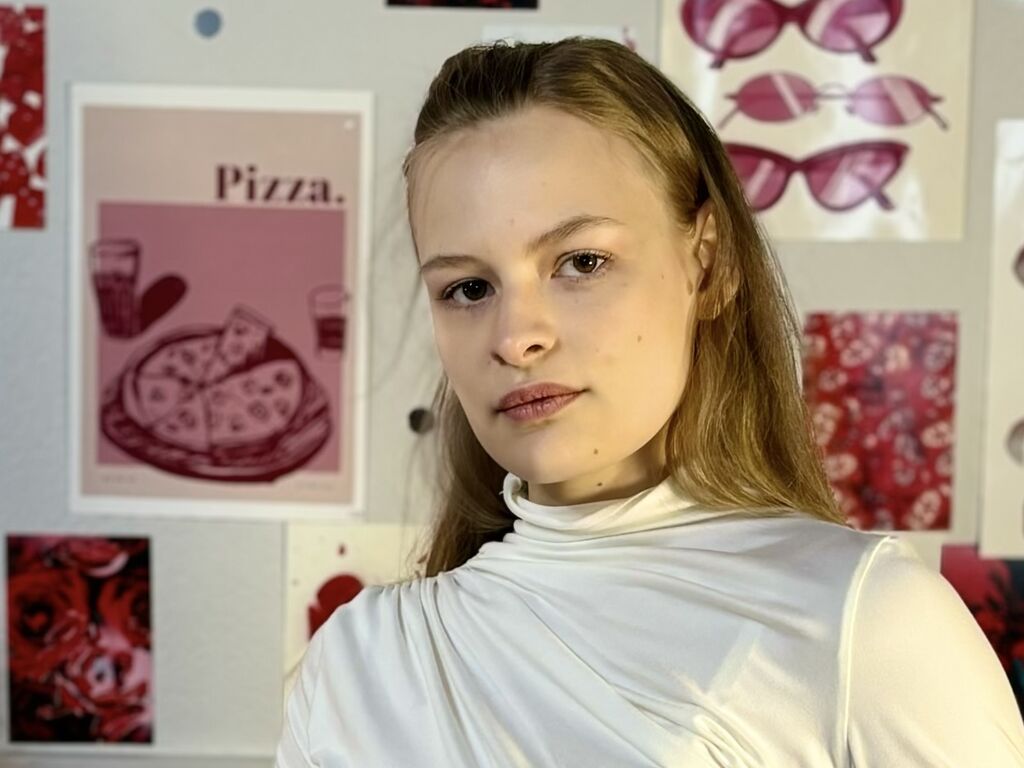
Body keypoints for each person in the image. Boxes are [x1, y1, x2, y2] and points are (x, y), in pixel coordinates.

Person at [275, 38, 1024, 766]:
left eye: (582, 262)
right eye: (469, 288)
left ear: (709, 264)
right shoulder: (356, 667)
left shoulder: (868, 624)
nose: (516, 337)